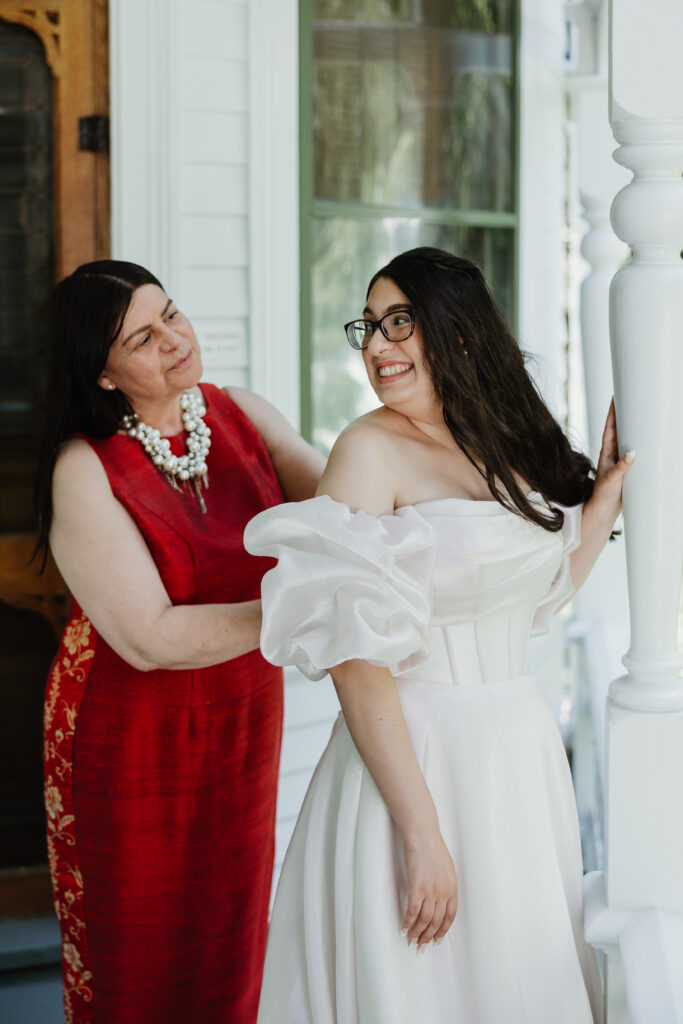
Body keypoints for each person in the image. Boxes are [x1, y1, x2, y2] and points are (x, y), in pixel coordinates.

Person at [245, 247, 633, 1024]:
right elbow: (355, 661)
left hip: (516, 755)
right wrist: (420, 836)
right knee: (426, 984)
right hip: (413, 761)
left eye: (400, 323)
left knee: (518, 973)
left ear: (456, 333)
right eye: (370, 326)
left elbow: (534, 600)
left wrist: (600, 508)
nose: (377, 346)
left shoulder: (503, 438)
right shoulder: (368, 448)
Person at [35, 260, 324, 1024]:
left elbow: (341, 497)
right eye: (142, 336)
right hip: (128, 733)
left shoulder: (240, 412)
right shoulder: (82, 468)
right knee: (140, 952)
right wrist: (305, 604)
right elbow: (151, 638)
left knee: (229, 930)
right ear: (102, 374)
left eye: (172, 314)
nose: (174, 340)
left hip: (239, 714)